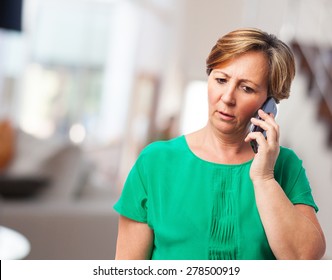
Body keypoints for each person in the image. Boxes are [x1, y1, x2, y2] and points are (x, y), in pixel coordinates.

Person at [113, 28, 326, 260]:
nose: (227, 97)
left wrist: (264, 179)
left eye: (247, 88)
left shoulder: (285, 166)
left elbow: (305, 261)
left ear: (269, 103)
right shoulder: (155, 162)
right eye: (221, 80)